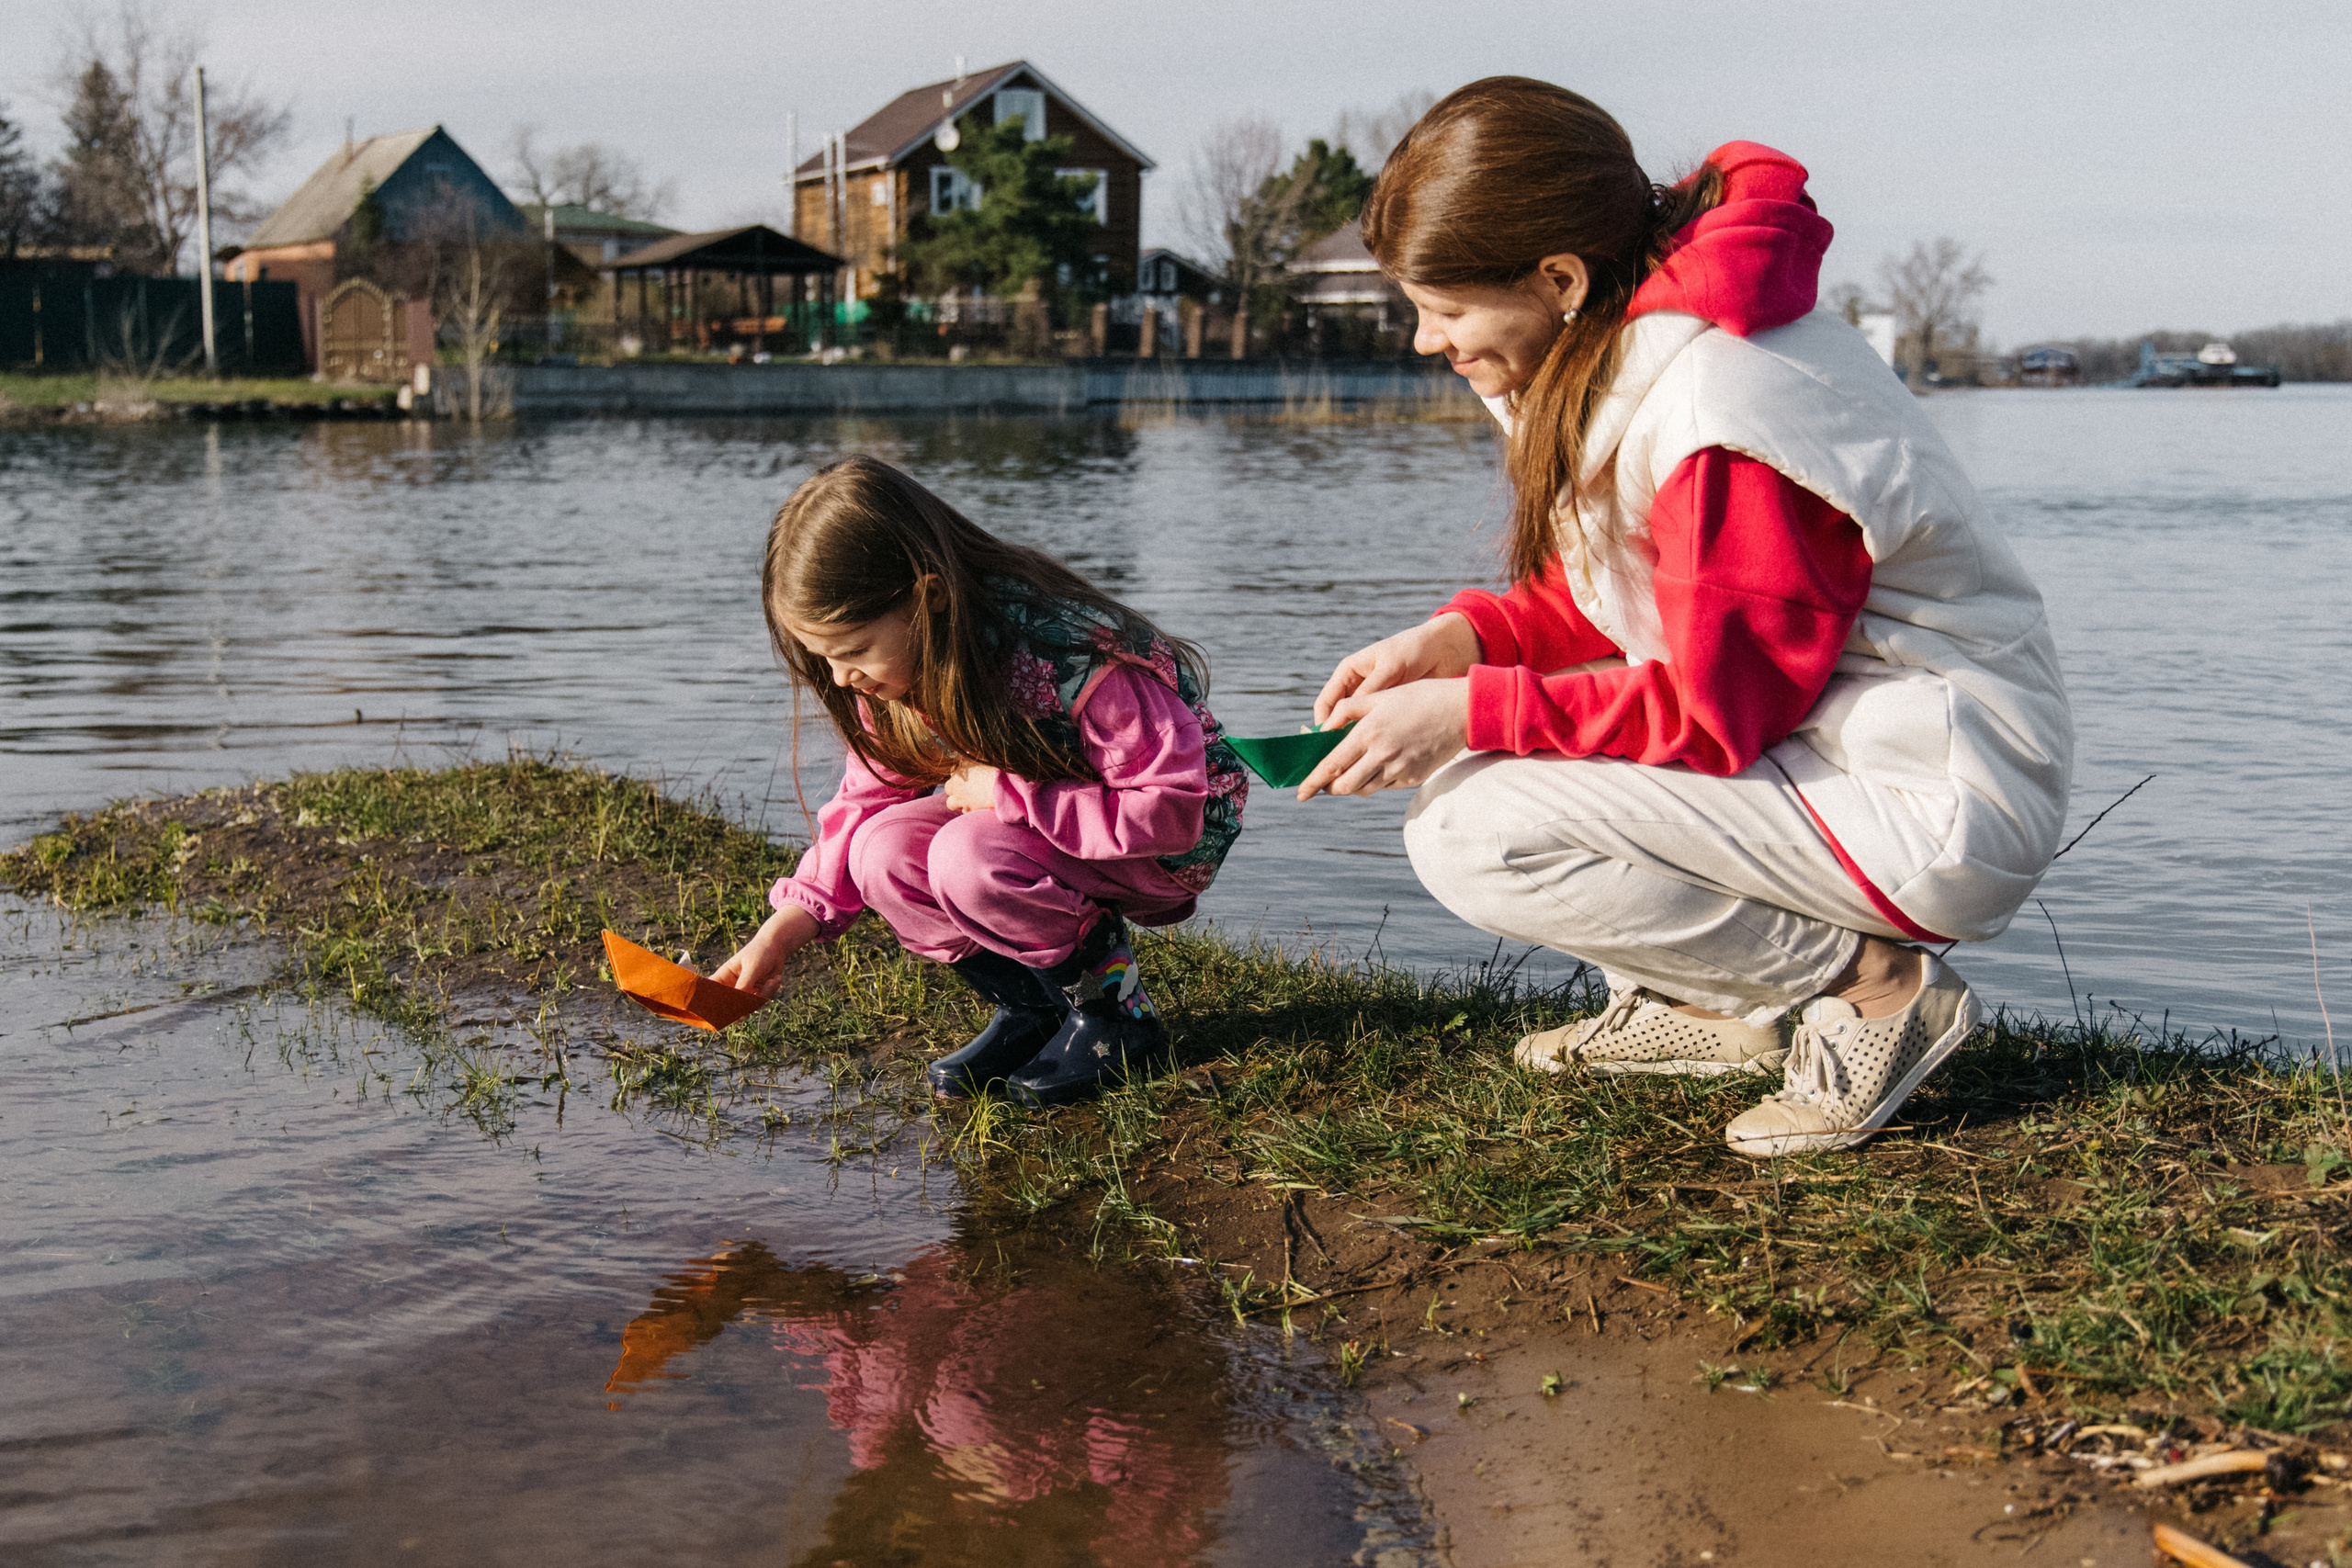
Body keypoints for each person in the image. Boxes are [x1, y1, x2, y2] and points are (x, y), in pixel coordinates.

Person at [1300, 79, 2074, 1157]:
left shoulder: (1722, 407)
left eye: (1446, 310)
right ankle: (1717, 1012)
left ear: (1559, 278)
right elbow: (1646, 593)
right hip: (1829, 747)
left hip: (1925, 788)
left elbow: (1717, 713)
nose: (1428, 342)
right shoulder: (1643, 343)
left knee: (1475, 829)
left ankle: (1880, 993)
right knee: (1475, 786)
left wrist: (1474, 708)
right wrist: (1471, 638)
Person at [713, 456, 1246, 1107]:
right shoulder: (901, 670)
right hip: (1052, 818)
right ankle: (1038, 1009)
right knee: (879, 852)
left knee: (966, 856)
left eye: (853, 651)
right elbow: (863, 802)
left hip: (1166, 840)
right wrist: (785, 928)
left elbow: (1171, 811)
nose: (843, 676)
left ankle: (1115, 1016)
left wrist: (1011, 795)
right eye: (825, 658)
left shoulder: (1072, 657)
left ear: (927, 598)